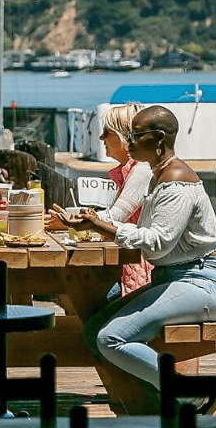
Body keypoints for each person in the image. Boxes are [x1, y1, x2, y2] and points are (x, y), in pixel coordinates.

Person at [61, 105, 216, 413]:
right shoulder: (159, 176)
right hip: (175, 279)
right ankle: (154, 403)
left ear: (158, 139)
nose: (128, 143)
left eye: (135, 136)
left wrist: (101, 226)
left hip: (203, 282)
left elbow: (157, 245)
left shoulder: (177, 181)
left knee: (110, 338)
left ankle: (191, 396)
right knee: (93, 332)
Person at [48, 102, 153, 295]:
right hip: (127, 261)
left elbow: (115, 217)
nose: (102, 137)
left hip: (137, 268)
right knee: (77, 285)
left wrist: (69, 223)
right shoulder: (134, 170)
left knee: (78, 286)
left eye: (107, 131)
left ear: (125, 136)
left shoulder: (141, 171)